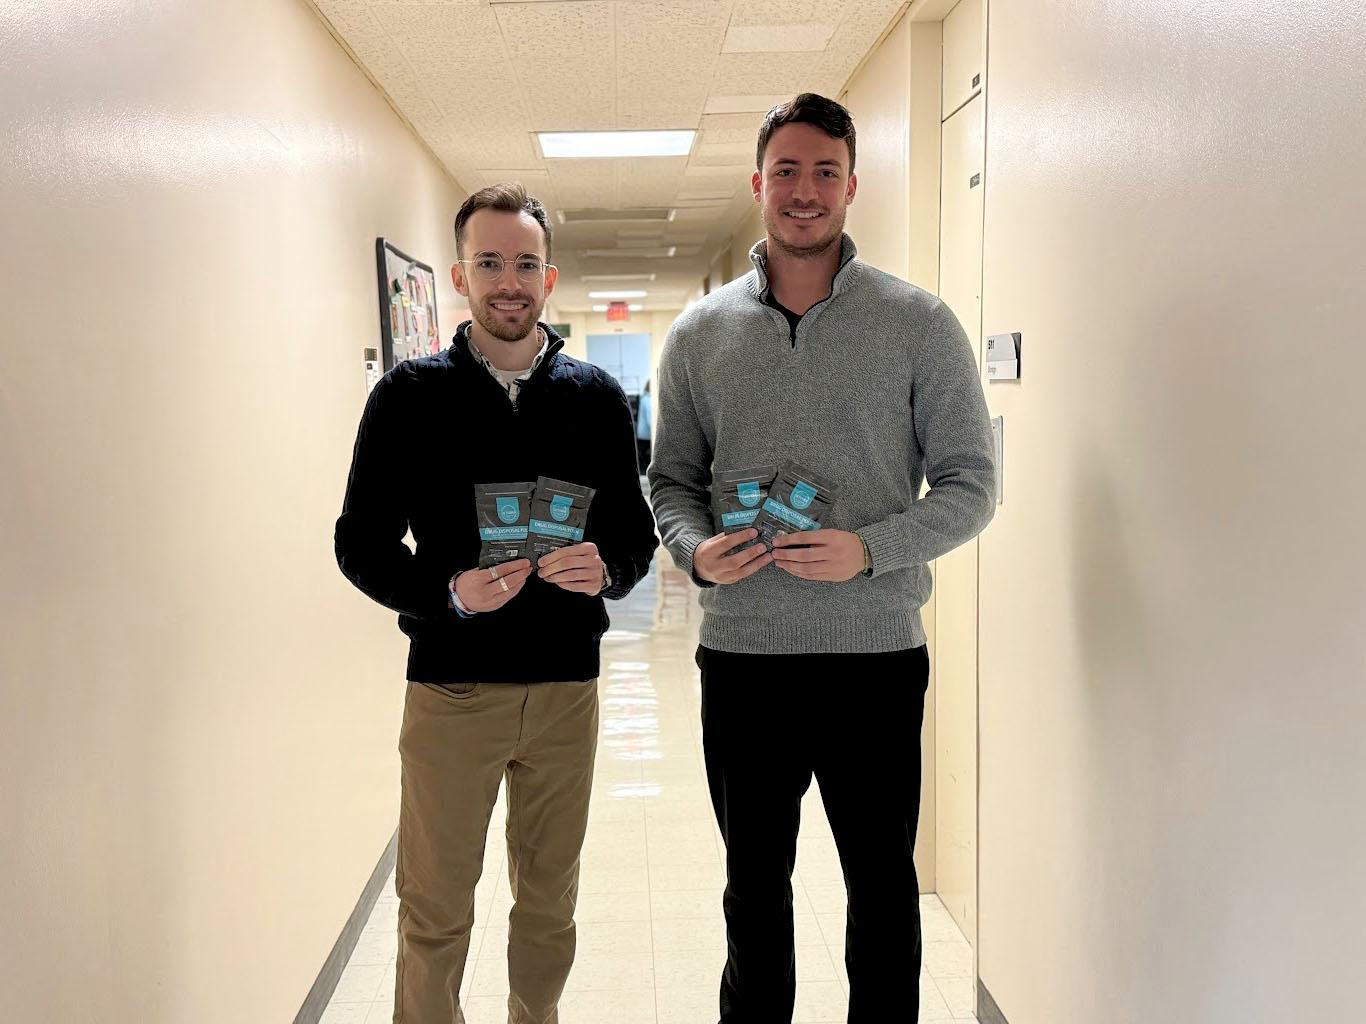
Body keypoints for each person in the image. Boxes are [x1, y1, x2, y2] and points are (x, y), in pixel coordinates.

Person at [648, 94, 996, 1023]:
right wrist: (694, 551)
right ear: (758, 183)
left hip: (874, 661)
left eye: (825, 172)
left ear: (852, 186)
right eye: (787, 171)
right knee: (753, 889)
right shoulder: (700, 335)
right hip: (744, 661)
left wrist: (870, 550)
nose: (805, 191)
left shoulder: (919, 323)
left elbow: (971, 484)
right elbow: (670, 480)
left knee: (881, 888)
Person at [335, 182, 658, 1024]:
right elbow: (360, 542)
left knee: (549, 905)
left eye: (524, 264)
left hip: (564, 692)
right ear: (459, 276)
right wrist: (444, 593)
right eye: (488, 263)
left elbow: (635, 533)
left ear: (548, 278)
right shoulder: (408, 396)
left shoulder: (595, 398)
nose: (508, 281)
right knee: (434, 907)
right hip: (452, 690)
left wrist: (608, 570)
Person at [634, 379, 653, 474]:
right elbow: (650, 419)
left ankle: (642, 472)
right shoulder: (649, 399)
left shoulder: (644, 398)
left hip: (642, 433)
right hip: (647, 433)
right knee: (646, 455)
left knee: (642, 454)